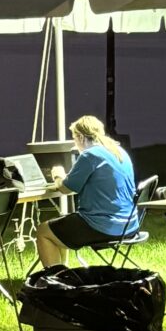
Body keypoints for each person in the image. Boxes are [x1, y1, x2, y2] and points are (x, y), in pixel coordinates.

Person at [35, 113, 140, 266]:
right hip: (129, 225)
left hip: (102, 226)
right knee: (60, 227)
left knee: (43, 231)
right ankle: (64, 274)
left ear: (81, 137)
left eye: (74, 138)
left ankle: (55, 277)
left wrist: (58, 175)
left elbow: (65, 188)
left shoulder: (89, 155)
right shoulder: (120, 152)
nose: (75, 143)